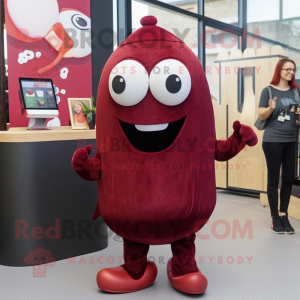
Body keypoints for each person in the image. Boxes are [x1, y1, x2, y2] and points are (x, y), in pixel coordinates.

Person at [258, 58, 300, 234]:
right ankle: (275, 217)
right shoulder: (268, 90)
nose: (291, 72)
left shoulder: (296, 92)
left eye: (293, 69)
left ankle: (284, 215)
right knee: (274, 179)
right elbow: (261, 116)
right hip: (273, 141)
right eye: (287, 69)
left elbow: (298, 121)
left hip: (291, 141)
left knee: (289, 178)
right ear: (279, 70)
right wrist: (271, 108)